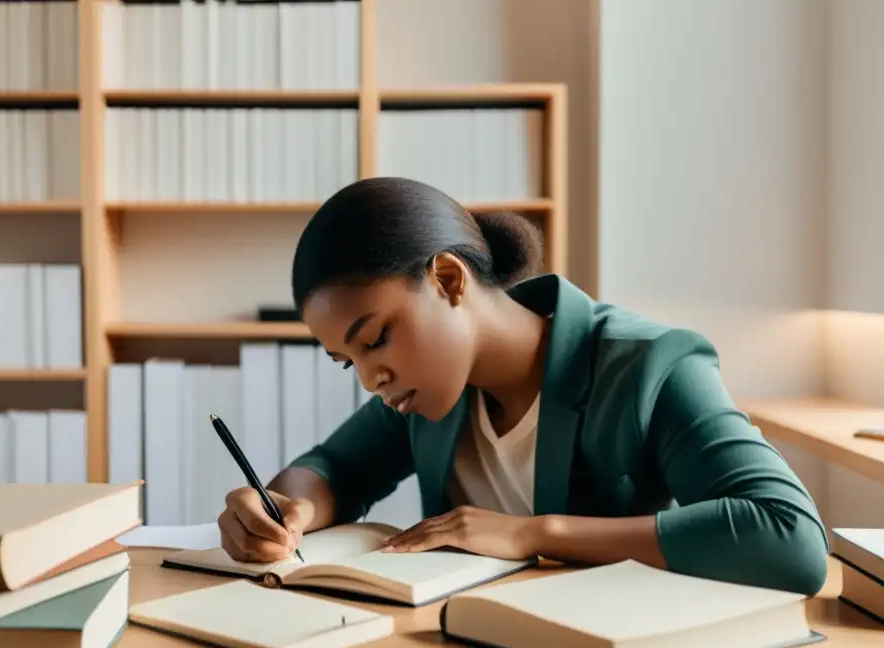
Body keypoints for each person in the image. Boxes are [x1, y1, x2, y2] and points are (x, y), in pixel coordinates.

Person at [216, 176, 829, 596]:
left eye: (374, 338)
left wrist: (534, 533)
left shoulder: (652, 366)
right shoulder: (423, 395)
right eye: (346, 360)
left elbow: (789, 538)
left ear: (449, 280)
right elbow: (333, 468)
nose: (372, 378)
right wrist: (289, 509)